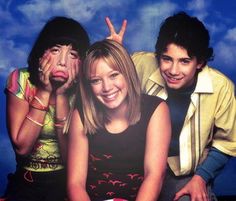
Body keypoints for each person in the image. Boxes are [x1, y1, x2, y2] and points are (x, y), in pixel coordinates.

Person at [106, 12, 236, 201]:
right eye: (167, 59)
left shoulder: (221, 88)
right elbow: (103, 80)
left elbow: (227, 142)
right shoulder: (142, 64)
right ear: (158, 56)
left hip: (184, 175)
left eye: (184, 61)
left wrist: (201, 178)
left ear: (200, 62)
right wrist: (113, 54)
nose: (173, 71)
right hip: (136, 167)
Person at [67, 39, 171, 201]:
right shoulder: (81, 115)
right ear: (88, 85)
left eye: (114, 75)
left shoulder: (156, 109)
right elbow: (75, 183)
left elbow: (154, 175)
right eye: (96, 80)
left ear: (127, 73)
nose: (107, 87)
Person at [4, 16, 89, 201]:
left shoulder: (84, 90)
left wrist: (61, 96)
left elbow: (70, 158)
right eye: (56, 50)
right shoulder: (21, 79)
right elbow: (22, 147)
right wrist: (44, 91)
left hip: (66, 183)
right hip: (25, 181)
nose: (63, 62)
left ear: (82, 62)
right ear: (41, 53)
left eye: (73, 55)